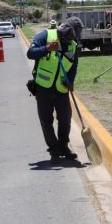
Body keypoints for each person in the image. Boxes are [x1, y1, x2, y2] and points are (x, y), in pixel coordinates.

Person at [26, 16, 83, 162]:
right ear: (66, 29)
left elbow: (74, 66)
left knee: (65, 118)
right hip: (43, 87)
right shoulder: (45, 36)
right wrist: (47, 48)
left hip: (61, 88)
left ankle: (63, 146)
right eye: (71, 34)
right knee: (46, 120)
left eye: (75, 36)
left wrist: (70, 81)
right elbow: (30, 53)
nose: (72, 38)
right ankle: (53, 149)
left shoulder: (73, 46)